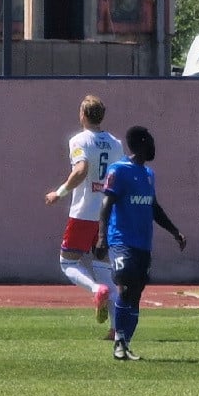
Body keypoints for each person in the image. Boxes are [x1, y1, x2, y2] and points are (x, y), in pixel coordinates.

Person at [94, 126, 186, 361]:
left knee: (136, 292)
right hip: (121, 240)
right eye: (152, 141)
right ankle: (119, 342)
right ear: (143, 142)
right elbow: (106, 205)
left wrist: (174, 231)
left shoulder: (148, 174)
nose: (155, 147)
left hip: (143, 243)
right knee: (125, 287)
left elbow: (153, 207)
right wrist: (102, 237)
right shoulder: (119, 171)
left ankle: (124, 342)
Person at [45, 95, 124, 333]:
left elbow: (81, 170)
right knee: (103, 267)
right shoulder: (115, 143)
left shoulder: (79, 140)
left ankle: (94, 290)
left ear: (83, 115)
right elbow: (118, 176)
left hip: (83, 213)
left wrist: (59, 193)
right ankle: (116, 327)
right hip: (107, 215)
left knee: (67, 263)